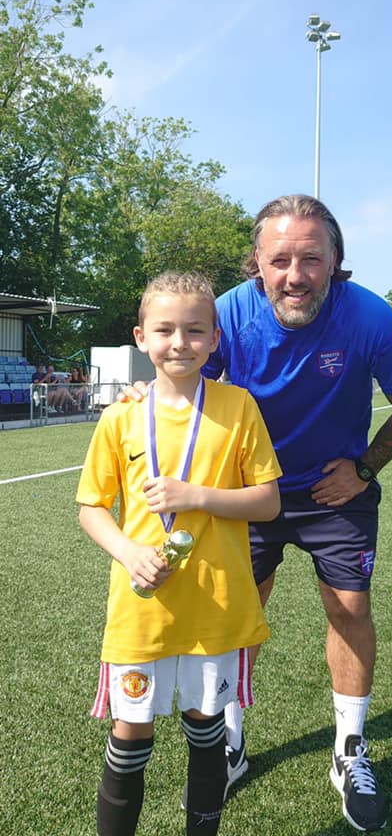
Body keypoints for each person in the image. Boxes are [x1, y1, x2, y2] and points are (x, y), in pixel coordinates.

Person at [121, 196, 392, 833]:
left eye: (311, 258)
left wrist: (364, 470)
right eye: (280, 259)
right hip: (244, 495)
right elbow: (184, 371)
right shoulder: (228, 314)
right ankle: (230, 741)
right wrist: (143, 397)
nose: (296, 274)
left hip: (332, 493)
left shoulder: (370, 317)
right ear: (257, 265)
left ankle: (349, 748)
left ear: (336, 262)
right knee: (239, 611)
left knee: (350, 608)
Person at [77, 271, 282, 836]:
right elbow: (91, 507)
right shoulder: (120, 416)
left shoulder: (238, 408)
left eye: (195, 331)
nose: (179, 343)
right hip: (141, 608)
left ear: (215, 338)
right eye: (165, 329)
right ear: (141, 337)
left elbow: (267, 502)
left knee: (205, 726)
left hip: (216, 609)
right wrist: (126, 550)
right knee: (129, 732)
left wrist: (198, 497)